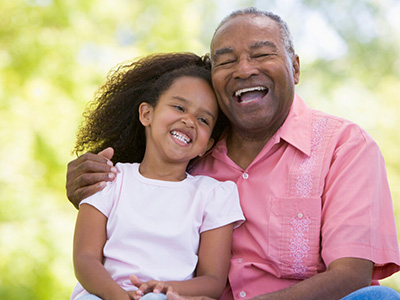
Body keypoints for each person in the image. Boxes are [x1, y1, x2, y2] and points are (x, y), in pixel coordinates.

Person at [66, 7, 400, 300]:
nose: (243, 69)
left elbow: (351, 277)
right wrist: (86, 187)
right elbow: (134, 201)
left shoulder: (345, 147)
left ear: (295, 68)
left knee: (379, 298)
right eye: (226, 61)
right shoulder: (191, 150)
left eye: (261, 54)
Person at [69, 52, 245, 300]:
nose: (189, 121)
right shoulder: (109, 178)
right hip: (103, 294)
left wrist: (162, 288)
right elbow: (85, 259)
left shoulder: (213, 195)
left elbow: (213, 281)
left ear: (207, 145)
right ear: (146, 114)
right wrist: (117, 296)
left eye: (203, 119)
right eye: (179, 107)